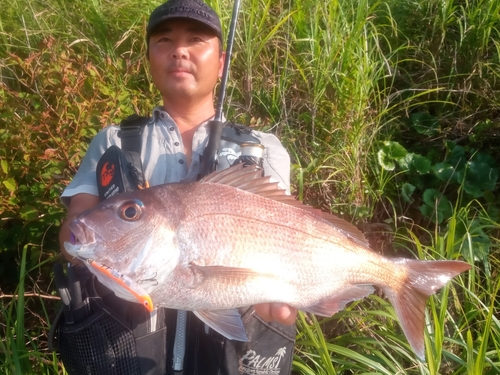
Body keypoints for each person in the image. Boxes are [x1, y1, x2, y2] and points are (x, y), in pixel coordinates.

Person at [57, 0, 297, 374]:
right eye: (164, 40)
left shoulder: (264, 148)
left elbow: (289, 236)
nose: (179, 50)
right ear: (150, 58)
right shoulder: (113, 142)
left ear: (220, 62)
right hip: (126, 345)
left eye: (196, 39)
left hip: (231, 350)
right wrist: (107, 258)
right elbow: (75, 229)